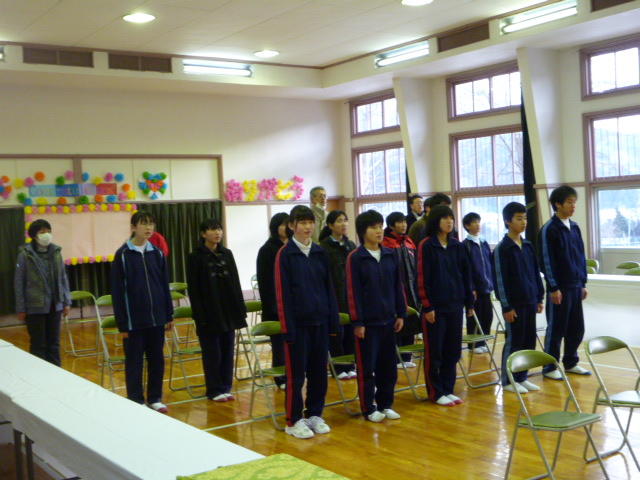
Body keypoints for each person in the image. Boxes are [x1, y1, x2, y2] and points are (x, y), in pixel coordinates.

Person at [275, 205, 339, 439]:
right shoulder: (285, 254)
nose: (307, 227)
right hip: (298, 326)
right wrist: (288, 328)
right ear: (292, 226)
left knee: (319, 373)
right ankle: (293, 420)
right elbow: (282, 294)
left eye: (310, 222)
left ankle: (314, 414)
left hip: (320, 322)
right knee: (296, 376)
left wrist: (333, 321)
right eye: (302, 223)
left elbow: (329, 288)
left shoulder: (320, 252)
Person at [111, 211, 173, 413]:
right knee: (134, 362)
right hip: (134, 321)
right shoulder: (122, 255)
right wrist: (122, 323)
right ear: (133, 227)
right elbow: (117, 291)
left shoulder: (157, 253)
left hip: (157, 319)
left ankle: (155, 398)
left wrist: (168, 314)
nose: (148, 228)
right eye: (144, 224)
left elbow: (164, 285)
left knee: (157, 360)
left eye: (151, 224)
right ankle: (135, 399)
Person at [347, 210, 406, 422]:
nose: (379, 231)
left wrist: (401, 313)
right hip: (368, 324)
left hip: (389, 320)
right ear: (363, 231)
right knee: (367, 368)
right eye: (373, 227)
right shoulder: (356, 258)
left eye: (380, 226)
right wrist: (358, 321)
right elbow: (352, 291)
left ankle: (385, 404)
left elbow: (398, 286)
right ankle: (369, 408)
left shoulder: (390, 254)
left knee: (388, 367)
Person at [417, 205, 474, 406]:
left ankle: (448, 389)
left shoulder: (457, 246)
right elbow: (422, 277)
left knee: (453, 350)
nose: (449, 222)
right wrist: (427, 306)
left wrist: (469, 302)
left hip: (455, 305)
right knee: (435, 352)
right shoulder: (426, 245)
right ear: (436, 221)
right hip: (435, 308)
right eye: (444, 218)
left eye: (451, 218)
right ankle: (436, 392)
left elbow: (466, 275)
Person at [187, 219, 247, 402]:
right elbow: (194, 289)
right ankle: (213, 389)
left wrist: (240, 309)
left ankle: (226, 387)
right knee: (213, 353)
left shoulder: (226, 253)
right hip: (208, 312)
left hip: (228, 310)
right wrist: (199, 315)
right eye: (213, 229)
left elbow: (235, 281)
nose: (217, 232)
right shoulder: (195, 257)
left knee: (228, 350)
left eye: (219, 229)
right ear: (203, 234)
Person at [539, 186, 590, 380]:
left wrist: (583, 283)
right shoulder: (549, 229)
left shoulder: (575, 227)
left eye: (574, 202)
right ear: (558, 204)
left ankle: (571, 362)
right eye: (569, 202)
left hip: (576, 285)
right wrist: (553, 287)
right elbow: (546, 260)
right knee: (556, 328)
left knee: (576, 327)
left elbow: (581, 256)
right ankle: (549, 366)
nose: (573, 206)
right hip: (559, 288)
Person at [493, 202, 544, 394]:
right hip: (514, 305)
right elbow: (500, 280)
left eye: (525, 218)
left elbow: (535, 273)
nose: (524, 222)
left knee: (528, 341)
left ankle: (522, 377)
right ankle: (508, 380)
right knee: (514, 342)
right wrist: (506, 306)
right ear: (508, 221)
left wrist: (539, 297)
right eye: (519, 219)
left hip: (530, 300)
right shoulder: (502, 249)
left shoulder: (528, 246)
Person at [14, 219, 71, 366]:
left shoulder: (56, 252)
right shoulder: (25, 255)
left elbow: (63, 278)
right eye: (42, 232)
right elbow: (19, 282)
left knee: (54, 343)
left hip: (55, 305)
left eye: (49, 231)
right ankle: (38, 374)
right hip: (34, 306)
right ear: (34, 235)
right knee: (38, 344)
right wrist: (21, 308)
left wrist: (66, 301)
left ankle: (57, 373)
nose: (46, 234)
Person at [319, 210, 357, 380]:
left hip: (350, 295)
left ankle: (350, 365)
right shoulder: (324, 247)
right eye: (339, 221)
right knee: (336, 333)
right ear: (330, 225)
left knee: (350, 333)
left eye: (345, 220)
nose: (344, 224)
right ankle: (338, 367)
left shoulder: (351, 245)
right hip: (334, 295)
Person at [256, 212, 290, 389]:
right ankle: (281, 378)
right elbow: (266, 282)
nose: (286, 228)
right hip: (275, 307)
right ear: (275, 228)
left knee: (292, 344)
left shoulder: (291, 247)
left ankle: (292, 375)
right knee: (279, 346)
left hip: (292, 305)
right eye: (283, 224)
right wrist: (273, 307)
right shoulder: (267, 250)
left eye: (288, 224)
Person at [382, 211, 420, 368]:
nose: (403, 225)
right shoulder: (386, 243)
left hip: (411, 289)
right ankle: (396, 358)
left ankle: (407, 357)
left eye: (404, 221)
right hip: (397, 289)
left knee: (410, 322)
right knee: (397, 323)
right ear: (391, 225)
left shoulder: (409, 242)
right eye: (399, 222)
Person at [462, 212, 494, 354]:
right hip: (474, 288)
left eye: (478, 222)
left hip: (486, 287)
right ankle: (474, 344)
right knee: (474, 316)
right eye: (474, 222)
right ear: (467, 226)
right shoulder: (465, 245)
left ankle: (483, 340)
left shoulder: (483, 242)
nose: (477, 225)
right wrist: (471, 287)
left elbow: (490, 263)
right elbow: (466, 269)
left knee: (487, 315)